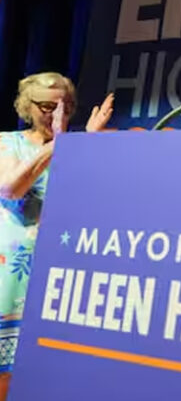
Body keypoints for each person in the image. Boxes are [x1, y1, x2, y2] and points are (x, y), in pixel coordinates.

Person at [0, 72, 113, 398]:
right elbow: (11, 188)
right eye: (48, 107)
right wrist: (59, 145)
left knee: (45, 368)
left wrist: (85, 146)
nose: (56, 116)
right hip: (12, 270)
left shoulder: (76, 146)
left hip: (58, 269)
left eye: (64, 107)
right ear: (28, 106)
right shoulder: (8, 142)